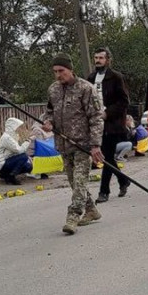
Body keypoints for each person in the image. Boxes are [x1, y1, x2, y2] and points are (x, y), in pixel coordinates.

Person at [44, 53, 104, 235]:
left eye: (61, 71)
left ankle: (73, 216)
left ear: (70, 69)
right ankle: (91, 209)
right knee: (73, 181)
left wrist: (95, 145)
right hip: (63, 143)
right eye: (55, 71)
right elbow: (49, 112)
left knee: (79, 181)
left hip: (83, 145)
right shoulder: (53, 90)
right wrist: (48, 122)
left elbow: (96, 117)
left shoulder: (86, 88)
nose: (58, 75)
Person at [86, 47, 131, 203]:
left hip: (112, 124)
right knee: (108, 157)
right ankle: (123, 181)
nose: (98, 60)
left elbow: (124, 101)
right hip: (96, 124)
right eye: (96, 58)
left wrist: (108, 113)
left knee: (105, 156)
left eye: (101, 58)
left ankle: (104, 191)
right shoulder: (90, 78)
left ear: (108, 60)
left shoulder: (116, 77)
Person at [0, 117, 33, 185]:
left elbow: (14, 152)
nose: (20, 129)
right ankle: (11, 176)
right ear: (13, 127)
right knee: (24, 156)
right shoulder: (7, 138)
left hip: (7, 160)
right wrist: (28, 141)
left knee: (28, 167)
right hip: (1, 163)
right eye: (18, 127)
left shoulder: (12, 137)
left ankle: (5, 174)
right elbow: (19, 150)